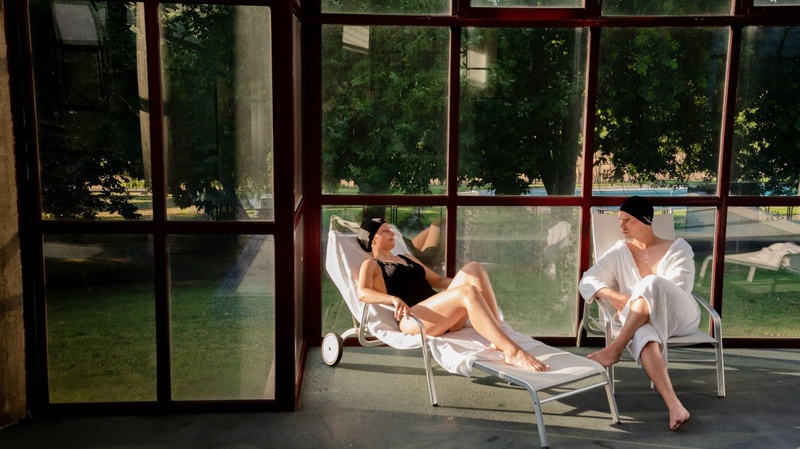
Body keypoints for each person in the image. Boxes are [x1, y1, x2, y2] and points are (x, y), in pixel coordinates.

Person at [355, 217, 550, 372]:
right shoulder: (371, 265)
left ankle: (497, 335)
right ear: (373, 239)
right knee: (468, 291)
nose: (392, 233)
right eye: (385, 231)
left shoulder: (406, 257)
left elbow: (439, 281)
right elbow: (362, 292)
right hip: (413, 319)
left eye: (390, 229)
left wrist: (470, 282)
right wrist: (393, 299)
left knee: (473, 268)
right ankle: (512, 352)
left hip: (441, 315)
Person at [579, 196, 700, 431]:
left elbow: (678, 290)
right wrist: (615, 296)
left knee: (651, 283)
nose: (621, 226)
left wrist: (637, 301)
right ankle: (675, 406)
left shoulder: (678, 248)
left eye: (628, 220)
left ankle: (615, 348)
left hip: (680, 315)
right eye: (620, 220)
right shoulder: (621, 251)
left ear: (645, 220)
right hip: (638, 320)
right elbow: (588, 279)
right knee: (644, 337)